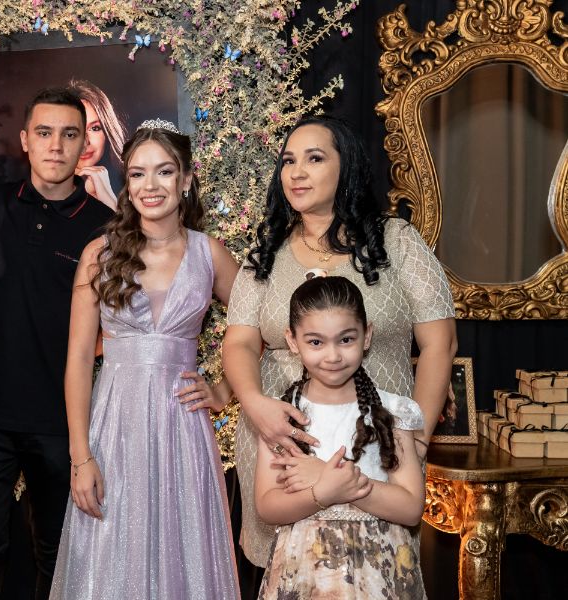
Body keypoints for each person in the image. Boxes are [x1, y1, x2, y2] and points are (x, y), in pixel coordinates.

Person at [222, 115, 456, 572]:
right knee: (293, 574)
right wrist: (255, 404)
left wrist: (418, 439)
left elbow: (439, 343)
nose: (296, 172)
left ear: (345, 165)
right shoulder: (268, 251)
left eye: (314, 159)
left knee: (374, 572)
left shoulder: (395, 241)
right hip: (285, 443)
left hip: (379, 443)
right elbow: (240, 343)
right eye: (288, 161)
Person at [50, 120, 241, 599]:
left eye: (164, 172)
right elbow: (78, 361)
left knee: (184, 553)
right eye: (137, 174)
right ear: (127, 183)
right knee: (112, 557)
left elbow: (258, 326)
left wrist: (224, 390)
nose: (150, 186)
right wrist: (81, 457)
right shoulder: (99, 254)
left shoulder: (210, 254)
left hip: (183, 430)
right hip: (114, 428)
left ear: (186, 179)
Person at [0, 87, 114, 599]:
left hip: (61, 420)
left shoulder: (105, 227)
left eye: (69, 134)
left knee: (59, 554)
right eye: (45, 133)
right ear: (25, 140)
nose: (56, 145)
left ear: (84, 144)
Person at [255, 275, 426, 599]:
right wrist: (322, 492)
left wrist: (333, 478)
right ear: (293, 340)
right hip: (305, 576)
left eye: (345, 339)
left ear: (366, 335)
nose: (332, 355)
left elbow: (410, 508)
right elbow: (267, 506)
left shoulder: (392, 412)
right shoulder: (282, 417)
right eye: (316, 342)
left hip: (378, 576)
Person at [68, 79, 127, 210]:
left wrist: (110, 203)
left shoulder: (133, 185)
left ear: (107, 130)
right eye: (73, 131)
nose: (86, 142)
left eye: (95, 128)